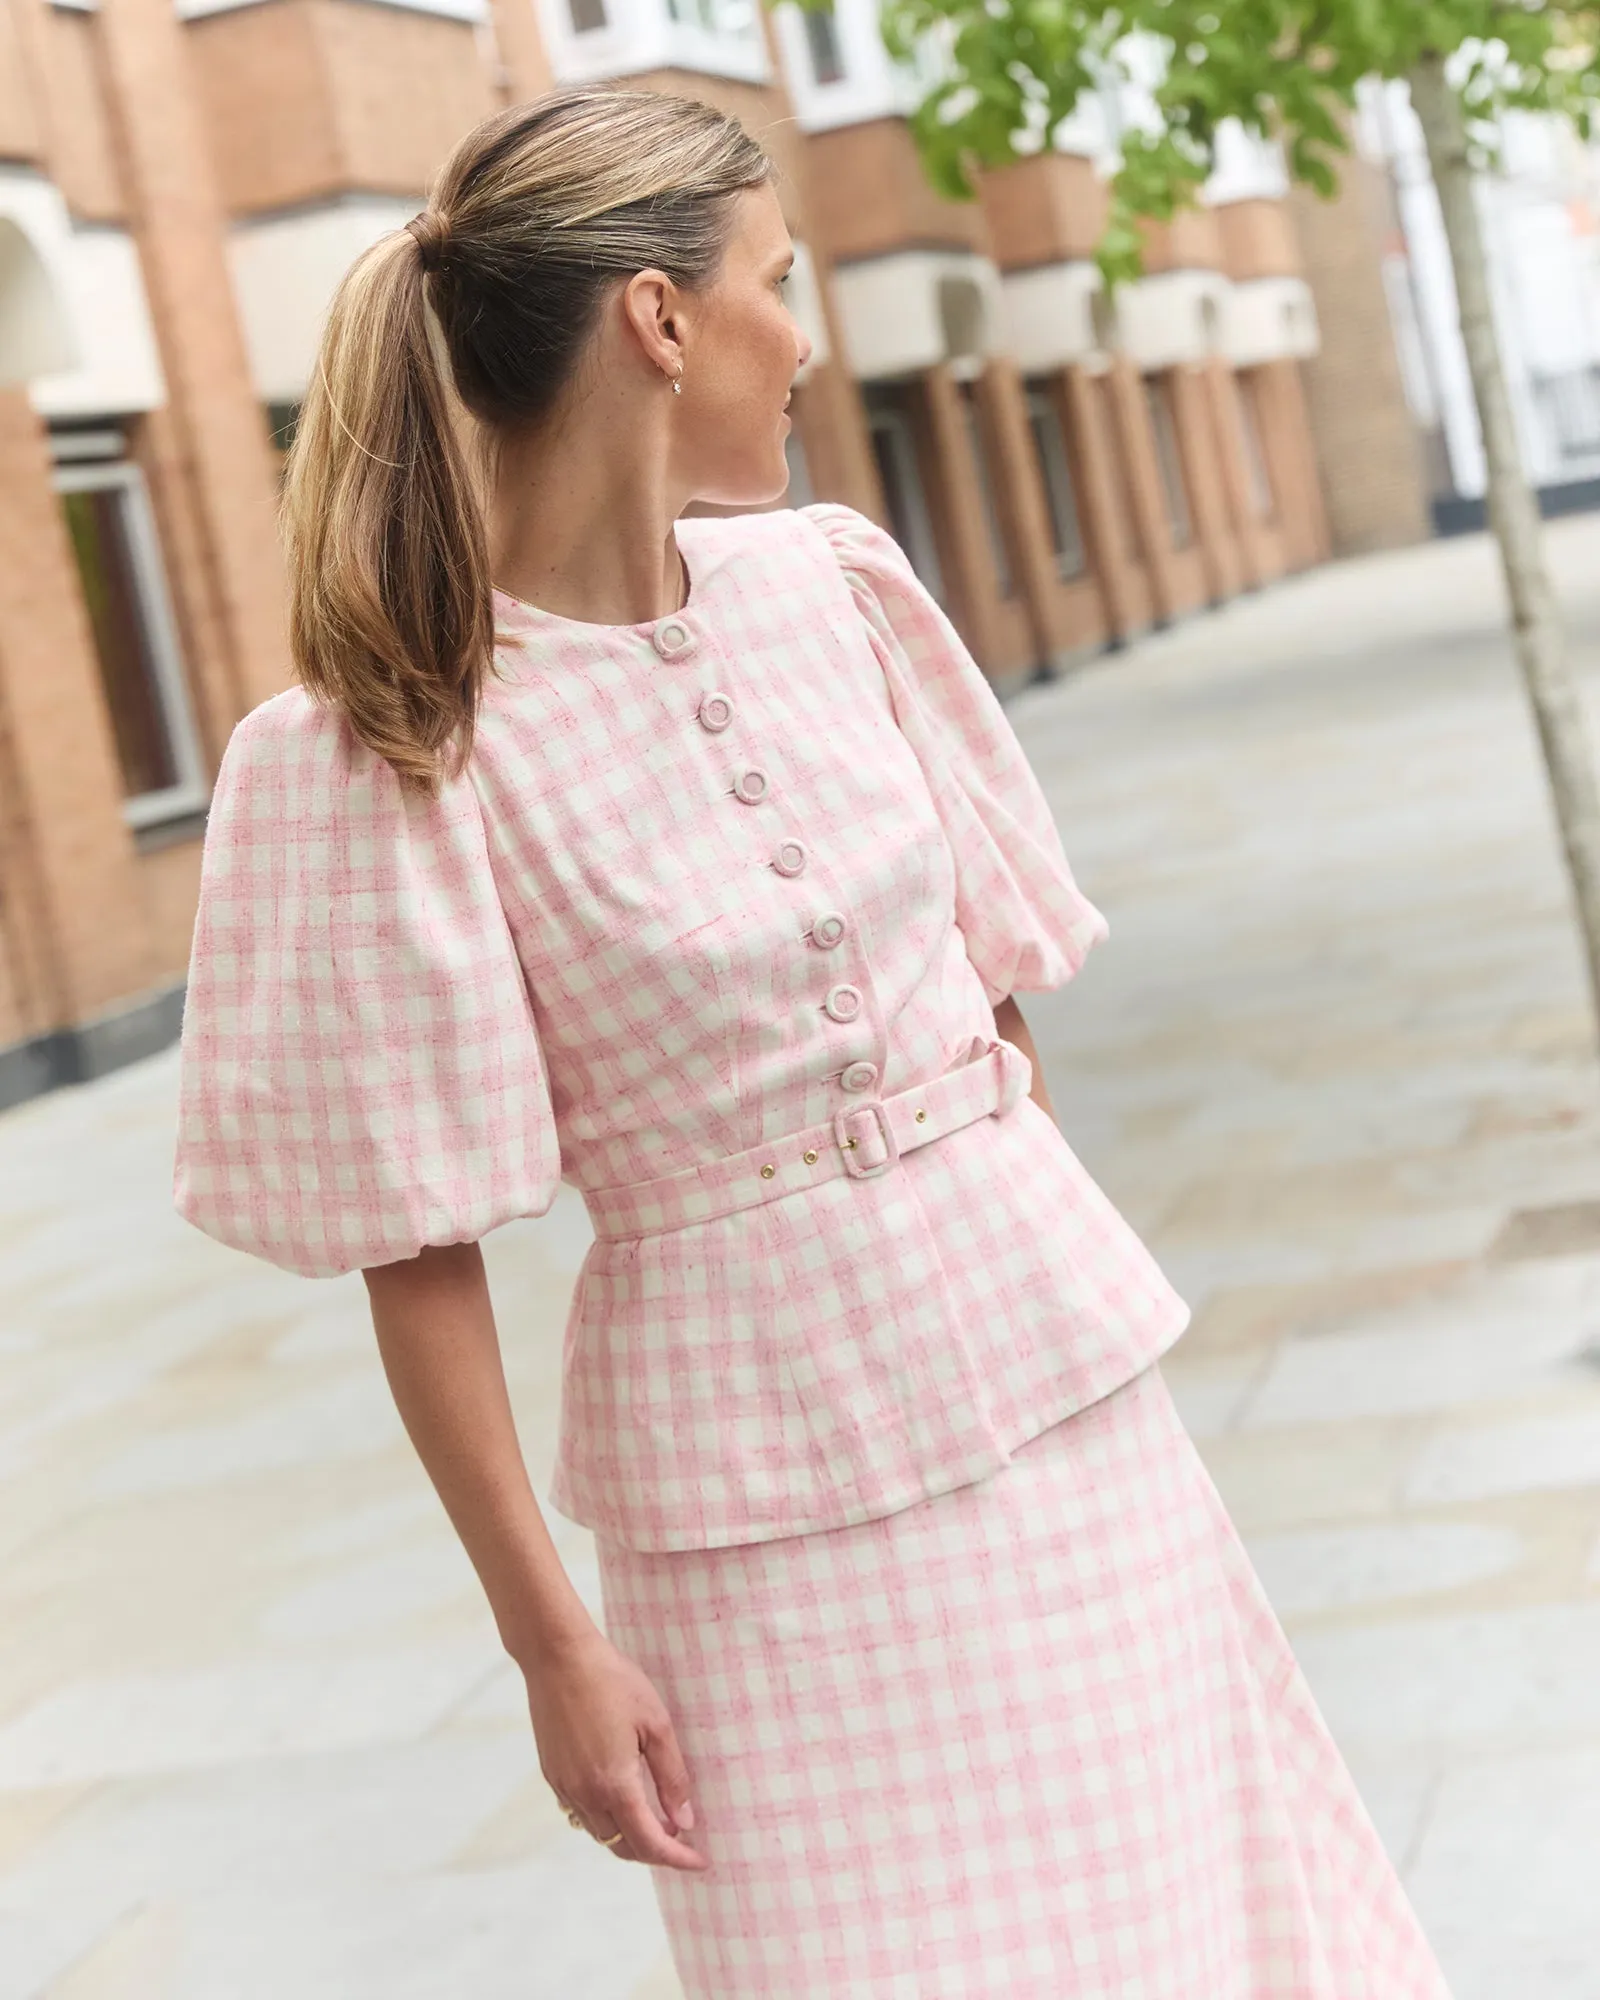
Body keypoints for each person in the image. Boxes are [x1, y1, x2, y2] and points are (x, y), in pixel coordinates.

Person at [172, 84, 1454, 2000]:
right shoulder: (385, 753)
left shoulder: (843, 584)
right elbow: (416, 1253)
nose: (811, 336)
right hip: (751, 1513)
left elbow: (996, 1010)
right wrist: (550, 1648)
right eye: (782, 281)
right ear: (658, 321)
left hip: (1066, 1407)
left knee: (1195, 1919)